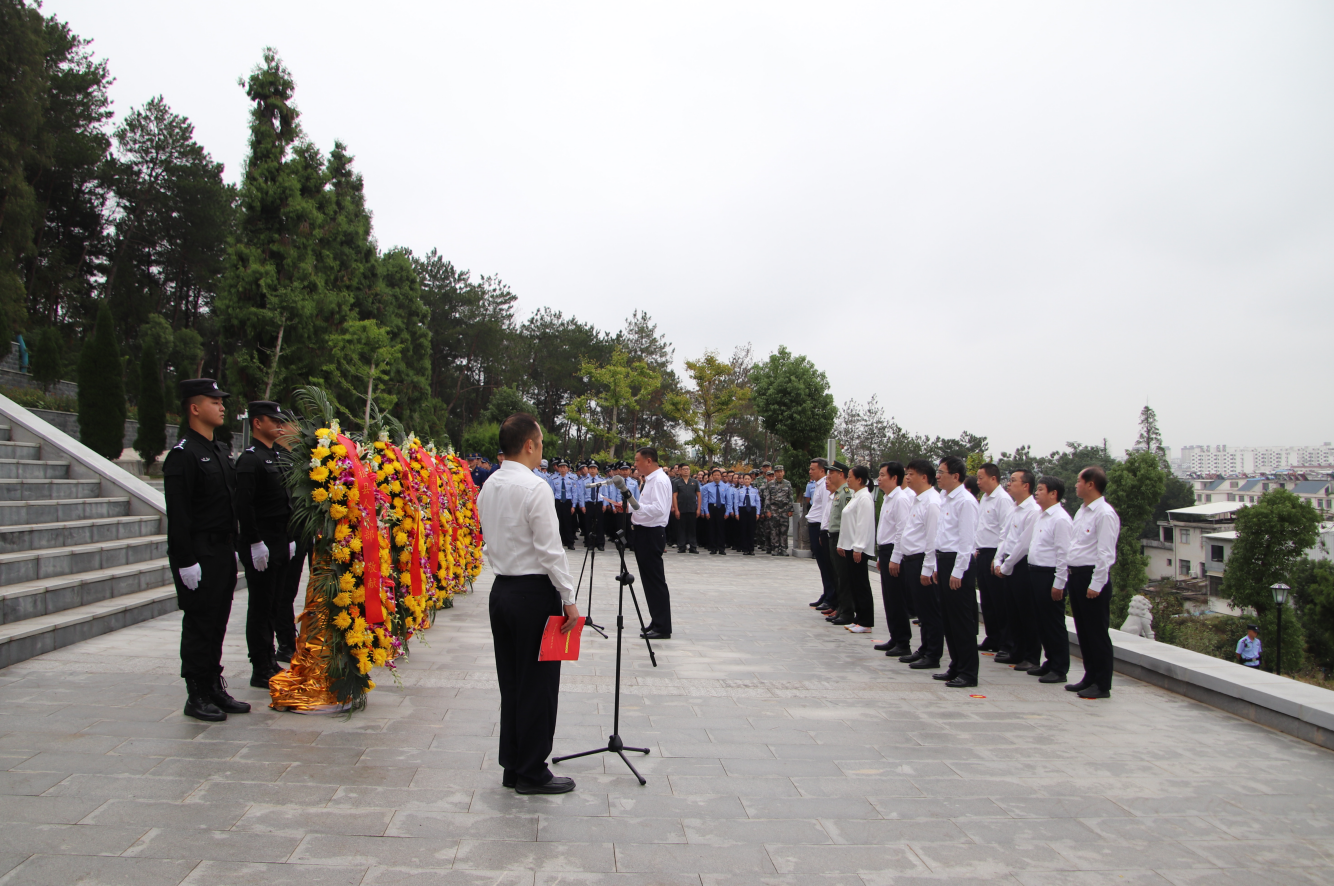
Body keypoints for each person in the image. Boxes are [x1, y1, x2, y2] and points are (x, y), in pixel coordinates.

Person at [477, 413, 581, 794]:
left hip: (502, 591)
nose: (542, 451)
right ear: (529, 445)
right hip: (534, 594)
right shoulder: (535, 488)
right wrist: (568, 599)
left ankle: (514, 765)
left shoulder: (489, 485)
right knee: (538, 686)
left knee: (513, 684)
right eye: (540, 444)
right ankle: (532, 772)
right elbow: (550, 550)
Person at [164, 379, 249, 722]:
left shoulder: (219, 450)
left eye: (222, 401)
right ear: (195, 408)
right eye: (214, 401)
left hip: (223, 551)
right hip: (199, 551)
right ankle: (196, 693)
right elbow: (179, 516)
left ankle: (213, 685)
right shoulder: (183, 455)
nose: (222, 406)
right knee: (199, 623)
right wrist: (185, 560)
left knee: (217, 622)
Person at [234, 400, 295, 689]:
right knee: (260, 606)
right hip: (263, 543)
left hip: (280, 540)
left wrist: (290, 539)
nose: (279, 425)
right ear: (257, 423)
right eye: (273, 420)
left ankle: (270, 659)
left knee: (273, 603)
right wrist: (255, 542)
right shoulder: (250, 459)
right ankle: (260, 665)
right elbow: (244, 507)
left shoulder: (275, 456)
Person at [1065, 465, 1121, 699]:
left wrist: (1096, 584)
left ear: (1090, 484)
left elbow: (1105, 553)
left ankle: (1102, 683)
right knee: (1084, 631)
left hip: (1092, 577)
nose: (1076, 484)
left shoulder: (1104, 513)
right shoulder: (1082, 511)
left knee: (1097, 632)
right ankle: (1089, 676)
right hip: (1077, 575)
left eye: (1079, 480)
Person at [931, 456, 981, 688]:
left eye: (942, 472)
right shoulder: (944, 498)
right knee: (948, 619)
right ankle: (956, 666)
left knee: (961, 620)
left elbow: (967, 541)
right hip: (943, 560)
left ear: (956, 476)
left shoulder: (966, 502)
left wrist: (958, 572)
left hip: (958, 563)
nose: (938, 476)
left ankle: (969, 672)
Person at [892, 459, 943, 670]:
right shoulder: (917, 499)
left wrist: (928, 568)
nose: (908, 477)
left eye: (911, 473)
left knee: (930, 610)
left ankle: (933, 654)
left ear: (925, 477)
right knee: (921, 611)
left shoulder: (932, 502)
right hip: (911, 559)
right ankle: (924, 648)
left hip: (923, 560)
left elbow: (932, 539)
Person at [1026, 476, 1074, 685]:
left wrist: (1059, 583)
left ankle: (1059, 667)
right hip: (1035, 572)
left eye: (1041, 489)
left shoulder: (1060, 519)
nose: (1037, 492)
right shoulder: (1041, 516)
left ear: (1054, 494)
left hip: (1050, 575)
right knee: (1041, 622)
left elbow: (1064, 553)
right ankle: (1050, 661)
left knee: (1053, 623)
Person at [995, 470, 1041, 669]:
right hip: (1008, 562)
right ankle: (1016, 651)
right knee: (1011, 610)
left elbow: (1023, 544)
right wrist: (998, 559)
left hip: (1020, 564)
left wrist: (1006, 565)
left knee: (1026, 613)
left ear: (1026, 486)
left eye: (1013, 481)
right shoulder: (1013, 508)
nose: (1009, 484)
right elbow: (1004, 536)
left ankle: (1031, 657)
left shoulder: (1033, 510)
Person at [631, 447, 673, 640]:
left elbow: (659, 508)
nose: (635, 465)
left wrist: (635, 507)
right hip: (643, 532)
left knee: (655, 581)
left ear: (649, 461)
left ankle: (663, 626)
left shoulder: (660, 480)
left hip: (651, 533)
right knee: (649, 581)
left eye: (637, 461)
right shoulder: (650, 480)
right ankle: (657, 621)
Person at [873, 462, 913, 658]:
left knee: (897, 598)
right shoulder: (888, 498)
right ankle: (895, 637)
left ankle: (903, 641)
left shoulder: (901, 499)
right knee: (889, 598)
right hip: (886, 551)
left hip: (895, 552)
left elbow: (901, 531)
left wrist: (895, 558)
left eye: (882, 475)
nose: (879, 479)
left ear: (894, 478)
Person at [974, 463, 1015, 655]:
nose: (978, 481)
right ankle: (993, 637)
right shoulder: (985, 499)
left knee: (1000, 602)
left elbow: (1005, 532)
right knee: (987, 600)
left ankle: (1006, 643)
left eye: (981, 477)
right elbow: (981, 526)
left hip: (994, 554)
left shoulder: (1003, 500)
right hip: (982, 552)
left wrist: (998, 558)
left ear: (993, 478)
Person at [836, 464, 876, 633]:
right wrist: (842, 544)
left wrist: (858, 547)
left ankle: (866, 621)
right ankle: (858, 619)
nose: (848, 480)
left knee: (861, 585)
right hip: (851, 546)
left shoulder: (865, 498)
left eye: (850, 477)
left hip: (858, 548)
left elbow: (863, 525)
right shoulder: (855, 496)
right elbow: (847, 524)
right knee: (854, 584)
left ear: (860, 480)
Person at [822, 462, 854, 625]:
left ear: (841, 474)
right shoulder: (838, 493)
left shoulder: (846, 493)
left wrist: (842, 541)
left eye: (832, 473)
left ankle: (847, 611)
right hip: (834, 536)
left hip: (841, 538)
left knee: (843, 576)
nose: (829, 476)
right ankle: (841, 608)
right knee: (837, 575)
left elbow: (847, 521)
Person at [806, 459, 837, 610]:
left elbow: (826, 509)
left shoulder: (825, 486)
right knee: (821, 564)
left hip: (820, 526)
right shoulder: (817, 485)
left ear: (822, 470)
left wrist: (822, 531)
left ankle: (831, 596)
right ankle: (826, 593)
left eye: (813, 469)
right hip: (815, 525)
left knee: (826, 564)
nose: (810, 471)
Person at [764, 466, 794, 556]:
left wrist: (790, 509)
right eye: (777, 472)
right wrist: (768, 510)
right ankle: (775, 548)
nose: (779, 473)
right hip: (774, 509)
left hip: (784, 509)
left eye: (781, 472)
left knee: (784, 530)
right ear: (775, 474)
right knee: (774, 530)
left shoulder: (788, 484)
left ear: (783, 472)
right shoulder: (770, 484)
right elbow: (767, 498)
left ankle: (783, 548)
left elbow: (790, 497)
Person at [549, 458, 577, 550]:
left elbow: (574, 493)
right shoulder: (553, 479)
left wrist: (573, 506)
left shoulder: (572, 479)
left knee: (568, 523)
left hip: (568, 502)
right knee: (558, 523)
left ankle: (570, 542)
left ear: (567, 468)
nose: (562, 469)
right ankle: (560, 542)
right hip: (558, 502)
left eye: (564, 467)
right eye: (560, 467)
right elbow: (551, 493)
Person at [701, 468, 731, 555]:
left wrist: (727, 512)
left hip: (721, 508)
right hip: (711, 508)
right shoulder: (707, 487)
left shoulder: (726, 487)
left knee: (721, 529)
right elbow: (705, 500)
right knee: (712, 528)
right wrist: (706, 511)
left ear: (721, 476)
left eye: (718, 475)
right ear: (712, 477)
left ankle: (721, 548)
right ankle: (713, 548)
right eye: (715, 475)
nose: (716, 477)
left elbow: (728, 501)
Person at [673, 464, 701, 553]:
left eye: (687, 469)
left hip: (692, 508)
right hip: (681, 509)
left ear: (690, 471)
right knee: (681, 528)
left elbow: (699, 495)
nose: (686, 471)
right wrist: (676, 509)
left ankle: (693, 546)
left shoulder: (695, 482)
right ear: (680, 471)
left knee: (692, 529)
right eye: (684, 469)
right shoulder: (677, 482)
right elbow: (674, 496)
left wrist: (698, 509)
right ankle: (681, 546)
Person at [581, 461, 605, 550]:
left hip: (599, 503)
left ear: (597, 470)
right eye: (591, 469)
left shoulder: (602, 480)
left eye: (594, 469)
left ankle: (600, 543)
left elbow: (605, 493)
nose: (592, 470)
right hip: (589, 504)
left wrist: (605, 504)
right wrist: (582, 505)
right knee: (588, 524)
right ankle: (590, 542)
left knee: (600, 524)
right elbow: (582, 494)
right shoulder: (585, 481)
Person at [736, 472, 760, 555]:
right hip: (742, 510)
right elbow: (736, 502)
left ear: (751, 480)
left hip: (752, 510)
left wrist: (758, 513)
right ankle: (745, 548)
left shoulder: (755, 490)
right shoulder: (739, 490)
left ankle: (751, 548)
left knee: (751, 529)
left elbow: (757, 502)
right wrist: (737, 513)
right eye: (745, 479)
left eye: (748, 479)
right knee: (743, 529)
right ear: (743, 480)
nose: (746, 480)